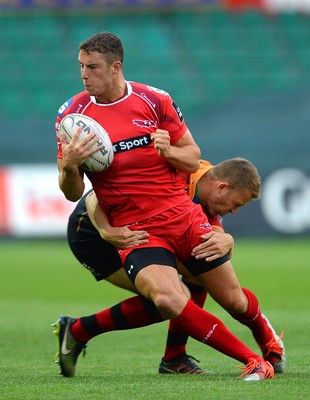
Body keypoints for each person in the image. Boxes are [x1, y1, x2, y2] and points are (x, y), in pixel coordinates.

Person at [55, 31, 275, 381]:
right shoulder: (72, 116)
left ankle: (269, 349)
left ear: (116, 67)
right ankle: (252, 361)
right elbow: (75, 193)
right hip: (124, 228)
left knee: (229, 298)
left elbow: (192, 158)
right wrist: (68, 165)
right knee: (170, 298)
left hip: (182, 219)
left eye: (92, 67)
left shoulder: (155, 100)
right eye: (81, 67)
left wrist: (168, 151)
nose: (84, 74)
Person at [57, 158, 285, 377]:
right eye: (236, 204)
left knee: (201, 266)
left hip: (148, 230)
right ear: (222, 187)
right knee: (170, 298)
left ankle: (174, 357)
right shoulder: (178, 170)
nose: (234, 211)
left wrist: (227, 239)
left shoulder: (204, 187)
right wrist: (106, 230)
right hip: (94, 236)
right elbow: (94, 196)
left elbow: (209, 229)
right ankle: (80, 330)